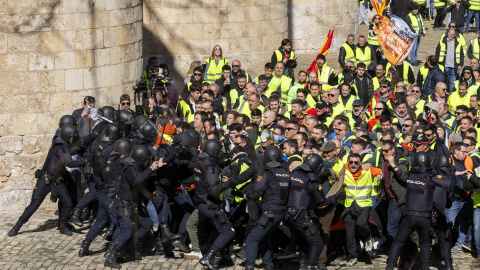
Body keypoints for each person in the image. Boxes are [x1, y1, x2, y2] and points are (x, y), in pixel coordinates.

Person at [386, 152, 450, 270]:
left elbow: (400, 173)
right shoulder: (430, 178)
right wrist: (436, 174)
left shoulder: (409, 176)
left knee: (398, 242)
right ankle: (425, 267)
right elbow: (447, 183)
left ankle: (389, 267)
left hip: (409, 217)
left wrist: (393, 165)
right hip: (424, 218)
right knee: (425, 244)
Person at [243, 146, 291, 270]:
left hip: (269, 212)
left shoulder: (266, 172)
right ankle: (268, 264)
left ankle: (249, 266)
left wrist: (247, 195)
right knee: (263, 237)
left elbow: (256, 192)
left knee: (251, 239)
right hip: (282, 211)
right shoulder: (286, 173)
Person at [341, 154, 383, 266]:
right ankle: (352, 257)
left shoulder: (367, 170)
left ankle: (368, 238)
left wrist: (380, 175)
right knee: (349, 234)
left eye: (356, 162)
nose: (353, 165)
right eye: (351, 162)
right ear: (348, 162)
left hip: (364, 205)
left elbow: (380, 171)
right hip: (349, 205)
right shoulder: (344, 170)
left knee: (361, 224)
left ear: (361, 163)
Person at [285, 154, 326, 269]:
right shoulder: (312, 180)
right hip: (299, 216)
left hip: (288, 214)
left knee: (304, 239)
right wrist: (336, 197)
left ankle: (302, 265)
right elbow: (321, 201)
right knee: (317, 243)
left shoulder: (294, 173)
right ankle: (310, 266)